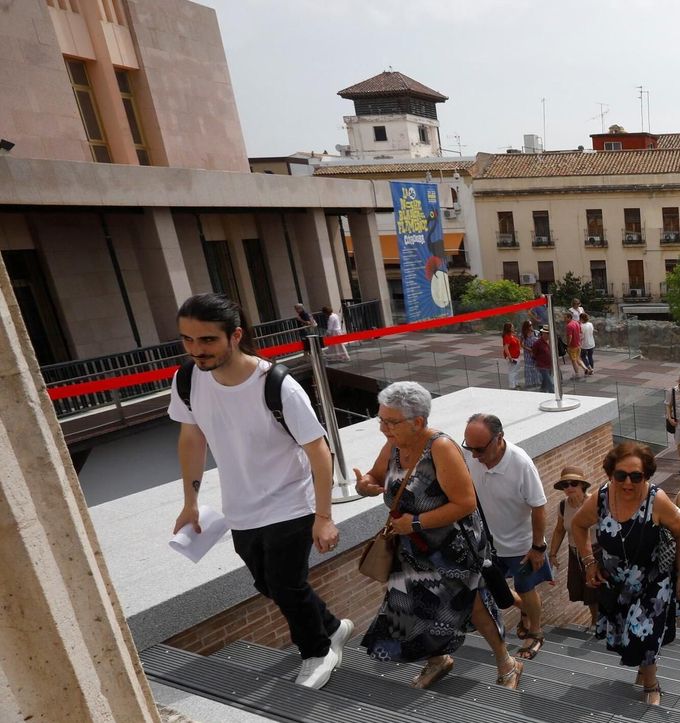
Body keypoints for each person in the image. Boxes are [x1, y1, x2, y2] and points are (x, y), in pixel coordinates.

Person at [170, 293, 350, 690]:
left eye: (207, 341)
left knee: (285, 584)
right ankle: (333, 627)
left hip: (291, 500)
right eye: (187, 340)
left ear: (235, 336)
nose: (196, 350)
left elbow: (320, 452)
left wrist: (324, 517)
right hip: (241, 505)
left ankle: (318, 650)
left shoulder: (276, 385)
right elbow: (191, 439)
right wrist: (191, 502)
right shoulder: (187, 380)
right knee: (268, 584)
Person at [355, 382, 519, 690]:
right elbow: (375, 475)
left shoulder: (440, 448)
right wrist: (364, 484)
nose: (383, 428)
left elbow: (465, 503)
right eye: (380, 420)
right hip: (411, 549)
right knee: (419, 606)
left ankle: (506, 662)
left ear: (417, 422)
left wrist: (415, 523)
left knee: (473, 605)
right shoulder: (394, 445)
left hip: (452, 549)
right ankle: (438, 658)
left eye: (390, 422)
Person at [571, 443, 680, 705]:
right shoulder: (600, 498)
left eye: (636, 476)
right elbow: (578, 525)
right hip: (616, 583)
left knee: (641, 634)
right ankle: (645, 668)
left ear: (646, 476)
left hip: (653, 580)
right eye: (620, 475)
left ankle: (651, 683)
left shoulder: (656, 500)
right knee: (628, 638)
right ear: (611, 473)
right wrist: (589, 562)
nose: (628, 482)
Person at [463, 413, 551, 660]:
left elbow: (539, 506)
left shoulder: (521, 463)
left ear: (499, 438)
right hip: (488, 544)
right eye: (468, 448)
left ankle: (536, 631)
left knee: (526, 588)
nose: (473, 456)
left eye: (479, 449)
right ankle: (527, 611)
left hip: (522, 545)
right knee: (492, 588)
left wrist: (538, 547)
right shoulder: (473, 457)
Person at [549, 468, 597, 619]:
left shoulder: (594, 503)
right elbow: (559, 530)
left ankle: (600, 623)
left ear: (582, 485)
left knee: (595, 588)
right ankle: (595, 622)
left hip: (595, 552)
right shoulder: (563, 506)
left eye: (573, 483)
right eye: (565, 485)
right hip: (575, 553)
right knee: (583, 588)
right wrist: (552, 554)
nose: (569, 488)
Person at [530, 323, 555, 394]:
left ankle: (541, 393)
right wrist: (539, 359)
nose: (549, 335)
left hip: (549, 365)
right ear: (543, 333)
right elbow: (533, 354)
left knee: (545, 382)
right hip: (542, 366)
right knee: (550, 382)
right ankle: (553, 395)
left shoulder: (550, 341)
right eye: (547, 333)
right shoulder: (537, 343)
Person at [501, 321, 523, 389]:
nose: (513, 328)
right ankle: (512, 385)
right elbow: (506, 348)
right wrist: (510, 358)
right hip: (512, 357)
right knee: (512, 371)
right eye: (512, 327)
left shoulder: (512, 335)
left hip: (516, 355)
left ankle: (516, 383)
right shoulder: (507, 337)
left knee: (516, 371)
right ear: (509, 328)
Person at [565, 312, 585, 380]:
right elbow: (581, 332)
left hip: (573, 345)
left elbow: (569, 336)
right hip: (578, 344)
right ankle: (585, 369)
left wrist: (568, 345)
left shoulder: (569, 326)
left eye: (565, 318)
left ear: (569, 317)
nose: (564, 319)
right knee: (578, 358)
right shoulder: (576, 323)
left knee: (574, 360)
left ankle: (577, 374)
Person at [519, 320, 539, 389]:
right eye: (530, 325)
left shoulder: (535, 332)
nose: (531, 326)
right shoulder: (523, 334)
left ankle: (536, 381)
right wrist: (527, 348)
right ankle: (529, 382)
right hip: (528, 351)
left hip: (535, 350)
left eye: (531, 325)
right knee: (528, 367)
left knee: (535, 366)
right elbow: (521, 343)